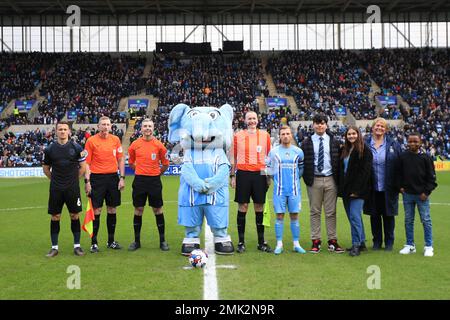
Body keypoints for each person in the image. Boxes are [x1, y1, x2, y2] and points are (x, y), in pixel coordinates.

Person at [301, 113, 344, 254]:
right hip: (314, 179)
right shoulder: (306, 142)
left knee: (331, 212)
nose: (320, 125)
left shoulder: (334, 141)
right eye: (317, 123)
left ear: (326, 125)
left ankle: (332, 240)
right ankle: (316, 241)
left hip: (331, 179)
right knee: (315, 211)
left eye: (322, 123)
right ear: (313, 125)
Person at [43, 121, 86, 257]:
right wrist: (55, 180)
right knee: (55, 216)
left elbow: (83, 167)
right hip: (56, 189)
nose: (62, 131)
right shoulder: (49, 149)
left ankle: (77, 246)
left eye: (64, 129)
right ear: (56, 132)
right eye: (60, 129)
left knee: (75, 215)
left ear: (69, 132)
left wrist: (73, 181)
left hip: (72, 189)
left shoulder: (77, 147)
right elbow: (46, 169)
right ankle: (54, 247)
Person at [231, 111, 272, 253]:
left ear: (258, 120)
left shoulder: (265, 135)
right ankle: (241, 242)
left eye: (254, 118)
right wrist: (232, 176)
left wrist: (269, 176)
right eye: (249, 118)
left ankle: (261, 242)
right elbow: (234, 158)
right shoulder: (238, 136)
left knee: (259, 207)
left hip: (260, 174)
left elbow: (268, 158)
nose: (252, 121)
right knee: (243, 206)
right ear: (245, 120)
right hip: (243, 173)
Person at [127, 119, 170, 251]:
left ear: (153, 128)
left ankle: (162, 241)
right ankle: (137, 241)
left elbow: (165, 164)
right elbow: (131, 162)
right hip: (139, 181)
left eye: (149, 126)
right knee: (138, 209)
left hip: (154, 181)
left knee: (157, 209)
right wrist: (140, 171)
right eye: (145, 126)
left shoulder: (159, 145)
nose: (147, 128)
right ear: (141, 129)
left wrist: (156, 173)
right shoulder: (134, 145)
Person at [84, 116, 125, 253]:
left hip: (113, 178)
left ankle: (111, 241)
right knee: (97, 210)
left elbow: (120, 160)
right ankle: (94, 243)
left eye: (108, 124)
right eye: (103, 124)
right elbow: (87, 163)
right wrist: (87, 181)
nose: (106, 127)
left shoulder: (116, 140)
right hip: (97, 179)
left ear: (111, 126)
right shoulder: (91, 141)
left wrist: (122, 177)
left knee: (112, 209)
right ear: (98, 126)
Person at [364, 118, 402, 251]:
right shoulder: (365, 143)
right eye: (377, 125)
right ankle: (377, 241)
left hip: (389, 187)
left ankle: (389, 242)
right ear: (372, 127)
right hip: (371, 186)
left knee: (388, 215)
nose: (379, 128)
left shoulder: (393, 144)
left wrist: (400, 184)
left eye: (382, 126)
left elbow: (400, 166)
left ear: (386, 129)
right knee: (374, 215)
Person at [267, 125, 306, 255]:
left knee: (295, 215)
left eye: (287, 133)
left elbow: (301, 169)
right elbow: (267, 169)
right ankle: (279, 244)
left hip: (294, 190)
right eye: (283, 134)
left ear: (291, 135)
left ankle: (296, 244)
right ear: (280, 136)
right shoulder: (273, 152)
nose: (285, 136)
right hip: (279, 191)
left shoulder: (298, 151)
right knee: (279, 216)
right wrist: (276, 179)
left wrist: (295, 179)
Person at [397, 132, 437, 257]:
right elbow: (398, 174)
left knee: (426, 220)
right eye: (410, 141)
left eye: (415, 141)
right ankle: (410, 245)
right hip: (407, 195)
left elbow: (432, 178)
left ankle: (429, 246)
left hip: (422, 195)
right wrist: (400, 187)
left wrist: (426, 192)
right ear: (407, 142)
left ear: (420, 142)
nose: (412, 143)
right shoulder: (403, 157)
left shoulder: (426, 157)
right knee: (408, 220)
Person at [337, 126, 373, 257]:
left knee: (354, 216)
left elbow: (365, 173)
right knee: (353, 217)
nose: (351, 136)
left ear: (358, 134)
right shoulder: (344, 150)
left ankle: (356, 244)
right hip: (346, 190)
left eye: (353, 133)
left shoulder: (365, 150)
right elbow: (341, 170)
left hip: (359, 191)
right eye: (349, 134)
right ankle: (361, 242)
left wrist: (357, 190)